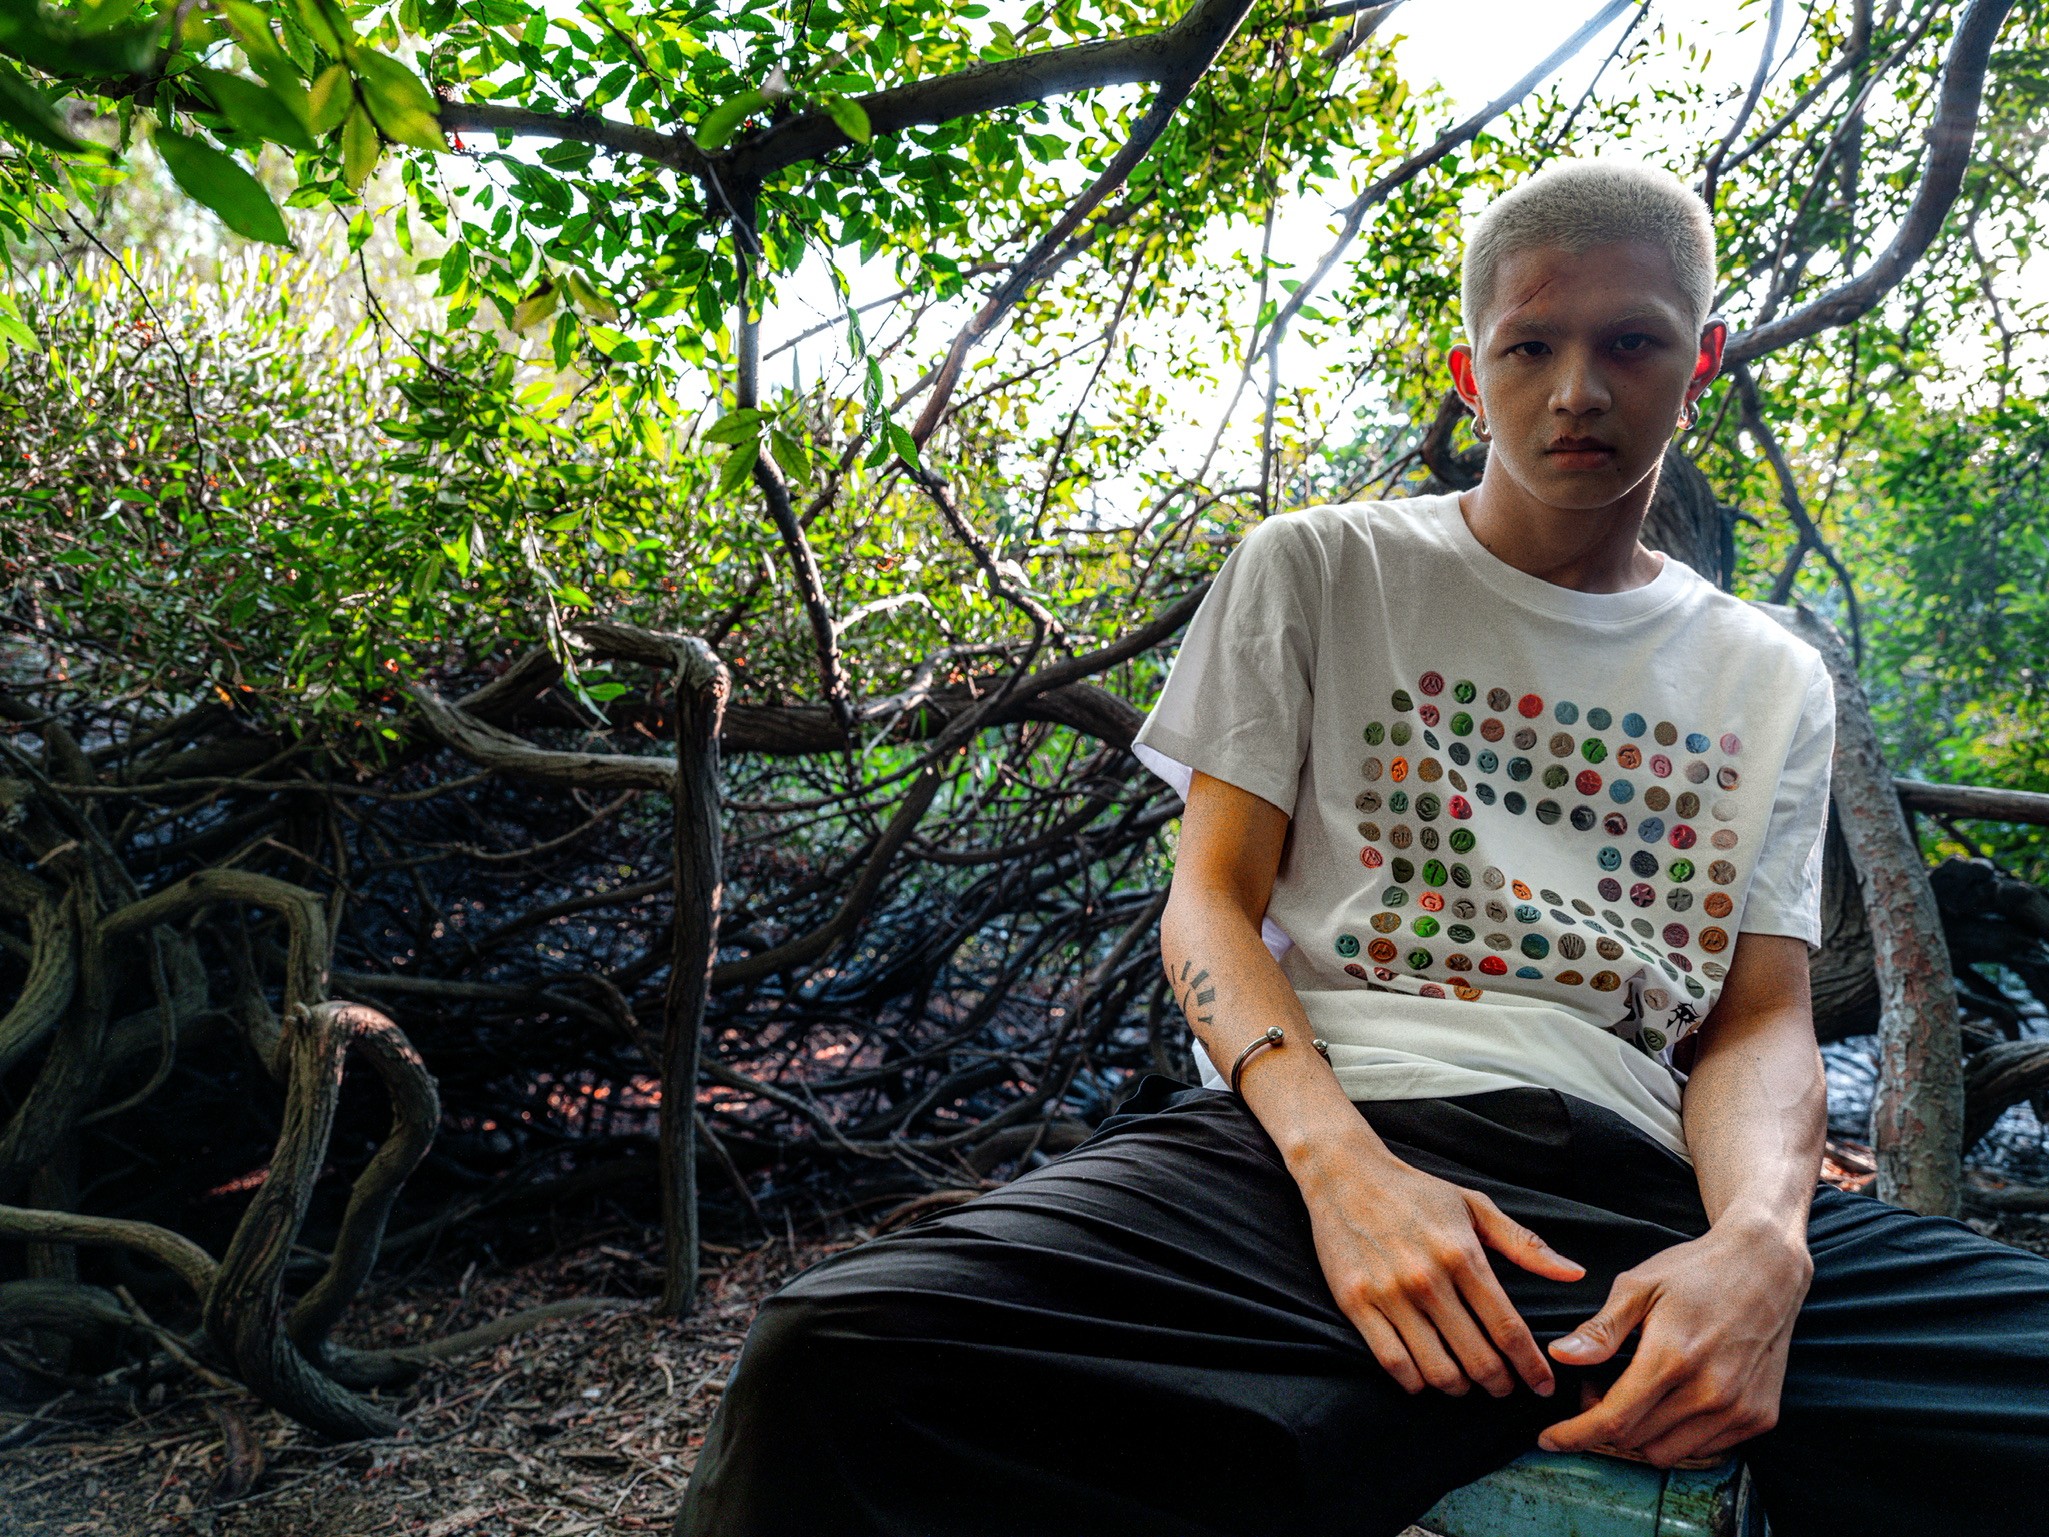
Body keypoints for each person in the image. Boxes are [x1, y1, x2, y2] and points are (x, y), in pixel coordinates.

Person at [674, 160, 2049, 1537]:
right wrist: (1342, 1175)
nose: (1577, 389)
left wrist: (1760, 1245)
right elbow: (1210, 905)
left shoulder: (1769, 674)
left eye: (1630, 342)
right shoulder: (1321, 568)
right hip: (1308, 1154)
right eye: (1530, 346)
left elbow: (1757, 1021)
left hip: (1646, 1190)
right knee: (835, 1359)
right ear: (1469, 373)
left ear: (1701, 362)